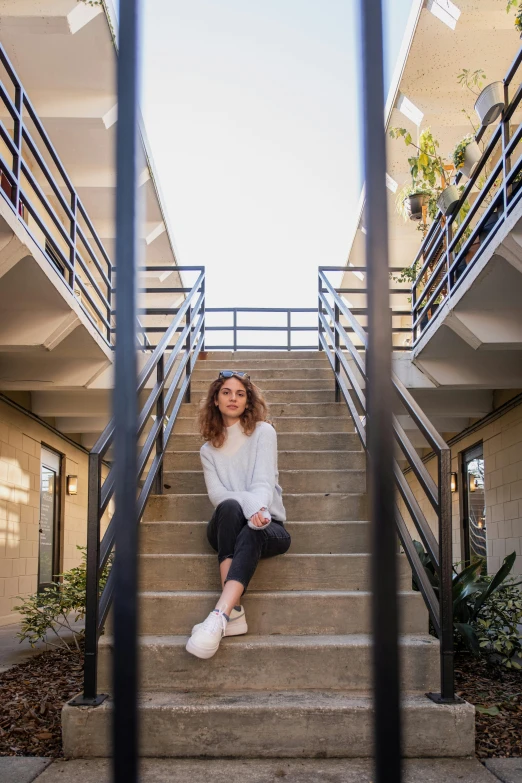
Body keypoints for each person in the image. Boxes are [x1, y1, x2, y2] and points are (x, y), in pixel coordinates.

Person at [185, 370, 291, 659]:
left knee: (252, 529)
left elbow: (262, 481)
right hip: (227, 523)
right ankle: (229, 615)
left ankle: (223, 614)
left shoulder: (263, 433)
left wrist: (259, 510)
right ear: (216, 401)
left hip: (269, 525)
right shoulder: (208, 450)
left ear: (248, 402)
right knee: (230, 507)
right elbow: (219, 496)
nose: (233, 398)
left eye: (240, 393)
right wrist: (249, 505)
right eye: (226, 392)